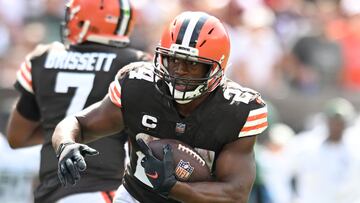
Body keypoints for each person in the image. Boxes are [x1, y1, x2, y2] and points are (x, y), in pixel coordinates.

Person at [52, 11, 268, 203]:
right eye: (173, 60)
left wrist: (173, 187)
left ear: (215, 68)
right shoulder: (138, 86)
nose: (180, 70)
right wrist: (66, 145)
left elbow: (235, 194)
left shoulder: (236, 109)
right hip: (137, 197)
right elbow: (78, 123)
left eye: (192, 63)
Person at [6, 0, 150, 202]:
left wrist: (57, 132)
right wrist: (96, 130)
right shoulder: (134, 64)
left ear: (83, 21)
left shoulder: (42, 58)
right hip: (104, 189)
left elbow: (17, 137)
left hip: (53, 192)